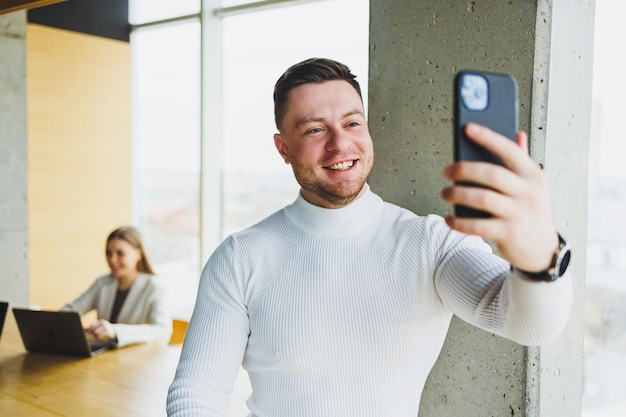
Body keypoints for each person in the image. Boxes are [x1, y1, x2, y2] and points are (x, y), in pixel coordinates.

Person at [166, 58, 573, 416]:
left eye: (352, 122)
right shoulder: (241, 257)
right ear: (283, 147)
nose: (340, 143)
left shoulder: (431, 242)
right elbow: (197, 394)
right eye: (313, 130)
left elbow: (530, 325)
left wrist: (541, 258)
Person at [62, 226, 172, 347]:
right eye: (109, 254)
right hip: (107, 357)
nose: (112, 260)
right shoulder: (102, 282)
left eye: (120, 253)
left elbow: (162, 332)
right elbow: (72, 309)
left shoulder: (155, 287)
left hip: (139, 360)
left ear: (139, 253)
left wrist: (116, 331)